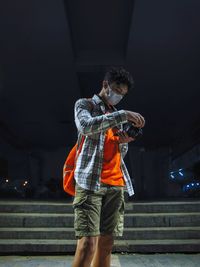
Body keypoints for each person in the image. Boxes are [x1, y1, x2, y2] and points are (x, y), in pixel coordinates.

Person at [71, 67, 145, 267]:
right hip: (90, 183)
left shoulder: (117, 115)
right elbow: (86, 126)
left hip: (116, 184)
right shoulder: (85, 105)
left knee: (106, 244)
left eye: (123, 95)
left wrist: (125, 141)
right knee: (87, 244)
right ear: (105, 85)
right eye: (117, 91)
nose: (119, 97)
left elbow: (119, 153)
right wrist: (123, 114)